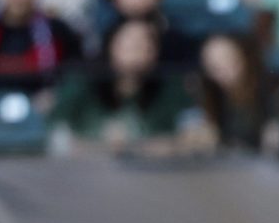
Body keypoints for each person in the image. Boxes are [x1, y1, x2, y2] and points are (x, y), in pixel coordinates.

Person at [50, 20, 194, 153]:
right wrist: (100, 146)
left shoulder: (170, 86)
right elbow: (53, 134)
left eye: (147, 42)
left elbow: (196, 132)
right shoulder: (81, 83)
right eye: (130, 41)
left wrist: (157, 146)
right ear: (112, 45)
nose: (139, 47)